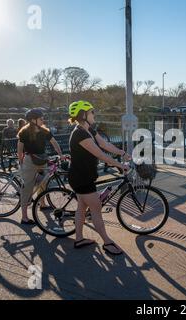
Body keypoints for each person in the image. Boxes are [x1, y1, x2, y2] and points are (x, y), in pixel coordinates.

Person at [67, 101, 131, 255]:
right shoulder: (79, 134)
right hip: (81, 178)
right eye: (92, 112)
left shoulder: (89, 129)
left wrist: (122, 153)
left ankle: (79, 239)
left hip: (84, 176)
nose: (94, 114)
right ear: (83, 115)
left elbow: (105, 145)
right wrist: (120, 165)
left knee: (82, 208)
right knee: (95, 208)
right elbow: (100, 154)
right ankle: (107, 242)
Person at [17, 108, 65, 225]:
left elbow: (54, 142)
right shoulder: (24, 132)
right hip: (30, 161)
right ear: (33, 120)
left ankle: (42, 205)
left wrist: (61, 154)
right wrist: (21, 160)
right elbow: (20, 148)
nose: (43, 119)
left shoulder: (44, 131)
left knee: (43, 183)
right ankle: (24, 217)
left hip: (42, 159)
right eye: (41, 118)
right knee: (27, 187)